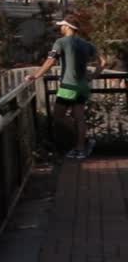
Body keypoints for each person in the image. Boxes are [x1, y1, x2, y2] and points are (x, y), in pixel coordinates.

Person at [26, 18, 104, 159]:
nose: (60, 28)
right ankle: (81, 148)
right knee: (79, 118)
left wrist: (35, 75)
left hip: (68, 86)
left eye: (62, 25)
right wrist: (93, 76)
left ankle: (83, 141)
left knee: (58, 117)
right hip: (83, 86)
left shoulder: (61, 42)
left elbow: (51, 61)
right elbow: (103, 62)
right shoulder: (87, 44)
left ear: (68, 27)